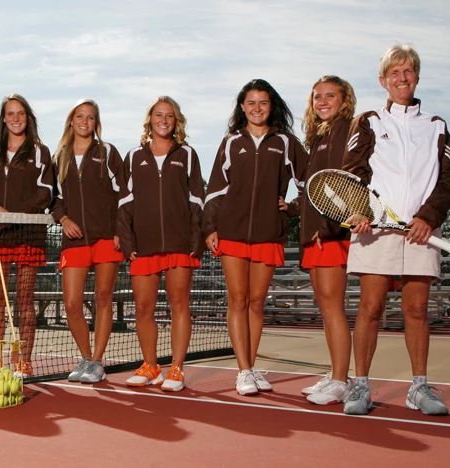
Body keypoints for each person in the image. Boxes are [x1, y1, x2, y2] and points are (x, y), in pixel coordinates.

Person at [342, 45, 450, 416]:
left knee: (417, 310)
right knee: (371, 308)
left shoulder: (437, 125)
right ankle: (360, 386)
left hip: (421, 232)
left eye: (408, 71)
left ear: (417, 76)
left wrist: (427, 217)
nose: (402, 77)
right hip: (376, 231)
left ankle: (419, 388)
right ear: (383, 80)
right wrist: (359, 211)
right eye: (394, 72)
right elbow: (352, 174)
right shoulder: (370, 121)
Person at [203, 80, 307, 396]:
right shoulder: (231, 142)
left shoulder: (287, 143)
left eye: (263, 102)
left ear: (271, 106)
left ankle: (250, 364)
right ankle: (244, 370)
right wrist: (210, 227)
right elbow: (215, 189)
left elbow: (310, 184)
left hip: (267, 233)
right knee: (238, 299)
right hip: (232, 231)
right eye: (251, 103)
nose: (257, 108)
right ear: (242, 107)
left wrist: (291, 208)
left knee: (257, 303)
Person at [117, 96, 204, 392]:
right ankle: (150, 364)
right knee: (143, 308)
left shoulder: (188, 154)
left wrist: (196, 239)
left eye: (169, 115)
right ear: (150, 120)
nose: (163, 120)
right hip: (144, 245)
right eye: (158, 115)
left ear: (176, 121)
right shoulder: (133, 156)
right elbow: (124, 203)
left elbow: (196, 200)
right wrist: (128, 243)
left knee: (179, 305)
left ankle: (177, 369)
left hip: (180, 245)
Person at [0, 94, 53, 379]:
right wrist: (0, 212)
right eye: (10, 113)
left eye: (21, 113)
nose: (16, 118)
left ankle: (23, 361)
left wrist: (17, 215)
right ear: (3, 118)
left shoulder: (41, 152)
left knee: (24, 300)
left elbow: (46, 192)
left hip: (28, 235)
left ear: (28, 117)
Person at [292, 76, 357, 405]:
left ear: (344, 99)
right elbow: (314, 190)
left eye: (330, 95)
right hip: (313, 236)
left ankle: (341, 380)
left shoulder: (347, 131)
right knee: (326, 308)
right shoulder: (319, 136)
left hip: (331, 235)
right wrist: (291, 207)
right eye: (317, 96)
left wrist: (330, 226)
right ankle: (335, 373)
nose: (322, 101)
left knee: (333, 308)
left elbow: (346, 185)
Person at [50, 99, 124, 384]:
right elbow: (54, 199)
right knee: (71, 303)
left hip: (106, 237)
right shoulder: (60, 158)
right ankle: (85, 357)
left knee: (103, 298)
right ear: (71, 121)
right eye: (79, 116)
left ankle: (97, 361)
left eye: (90, 117)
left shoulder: (107, 153)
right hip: (75, 240)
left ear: (96, 123)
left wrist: (121, 230)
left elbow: (123, 196)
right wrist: (64, 219)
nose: (84, 121)